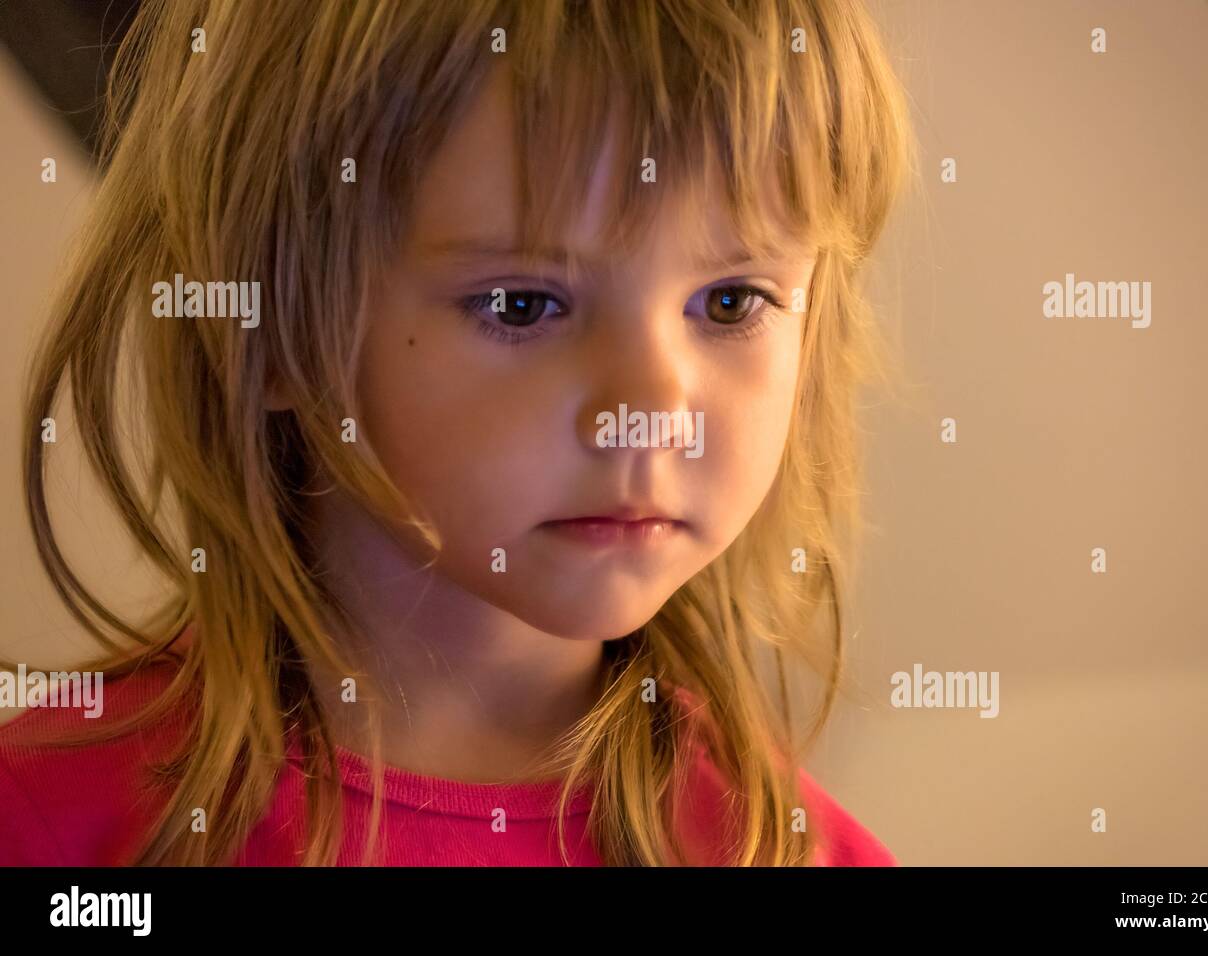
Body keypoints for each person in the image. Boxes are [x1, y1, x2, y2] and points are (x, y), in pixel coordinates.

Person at [2, 0, 912, 866]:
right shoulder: (46, 823)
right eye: (523, 305)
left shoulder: (794, 850)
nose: (652, 413)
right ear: (270, 327)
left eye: (730, 301)